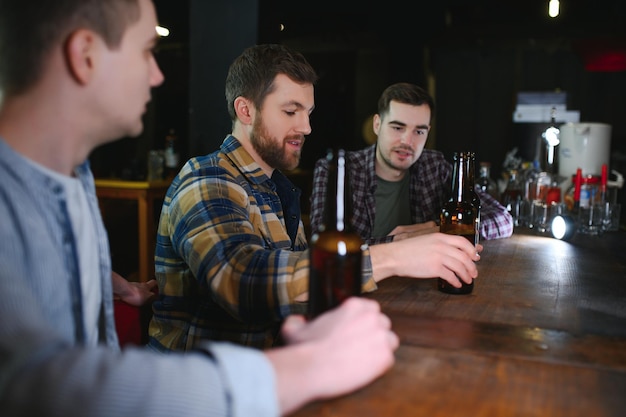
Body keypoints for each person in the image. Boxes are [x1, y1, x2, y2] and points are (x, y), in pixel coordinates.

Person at [0, 1, 399, 416]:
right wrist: (307, 367)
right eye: (147, 50)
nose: (157, 74)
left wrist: (106, 279)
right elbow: (37, 386)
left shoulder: (71, 176)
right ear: (85, 55)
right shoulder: (206, 178)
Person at [148, 44, 482, 352]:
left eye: (308, 112)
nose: (307, 127)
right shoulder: (207, 180)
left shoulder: (272, 185)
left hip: (272, 369)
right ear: (245, 110)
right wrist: (392, 257)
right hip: (205, 388)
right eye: (291, 112)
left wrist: (407, 245)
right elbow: (242, 282)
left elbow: (298, 275)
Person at [310, 82, 514, 245]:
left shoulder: (434, 166)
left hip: (421, 288)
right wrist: (401, 242)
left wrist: (437, 228)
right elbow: (324, 246)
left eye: (419, 131)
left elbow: (503, 220)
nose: (408, 142)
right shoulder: (338, 171)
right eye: (398, 128)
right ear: (377, 124)